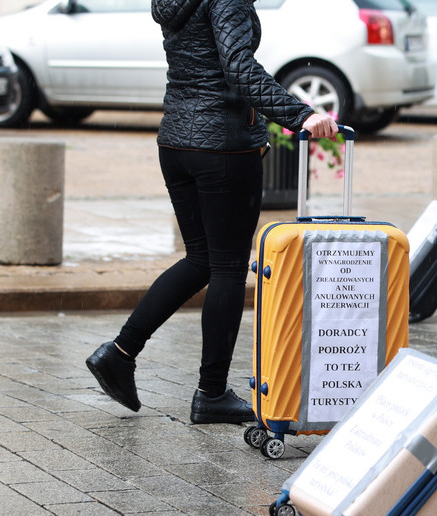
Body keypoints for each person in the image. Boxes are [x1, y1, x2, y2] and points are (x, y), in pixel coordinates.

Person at [85, 0, 337, 424]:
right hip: (222, 145)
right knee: (227, 268)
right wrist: (301, 115)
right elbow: (238, 67)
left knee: (201, 259)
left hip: (177, 141)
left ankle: (120, 353)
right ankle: (213, 393)